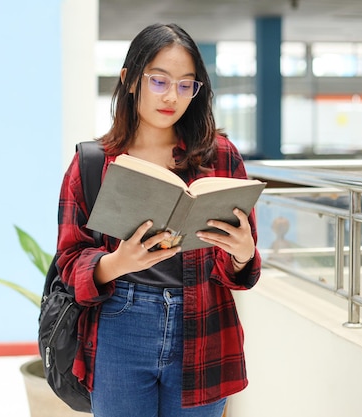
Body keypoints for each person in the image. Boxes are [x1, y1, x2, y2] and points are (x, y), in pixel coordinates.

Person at [56, 23, 261, 417]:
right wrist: (117, 263)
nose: (173, 96)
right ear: (130, 80)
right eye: (159, 81)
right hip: (121, 324)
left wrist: (243, 253)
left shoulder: (220, 157)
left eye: (187, 85)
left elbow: (241, 271)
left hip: (203, 324)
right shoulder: (92, 163)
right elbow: (68, 261)